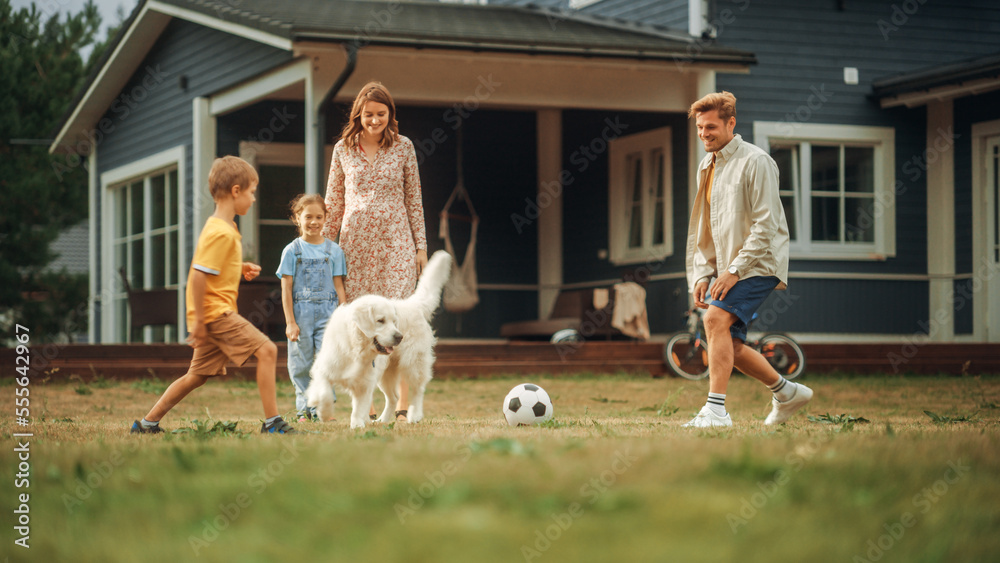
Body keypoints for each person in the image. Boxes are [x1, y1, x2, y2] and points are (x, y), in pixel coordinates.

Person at [131, 156, 295, 435]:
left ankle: (147, 424)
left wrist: (238, 267)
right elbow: (197, 275)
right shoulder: (220, 231)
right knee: (267, 350)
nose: (253, 199)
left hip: (212, 313)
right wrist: (196, 321)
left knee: (197, 375)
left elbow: (212, 265)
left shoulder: (225, 228)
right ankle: (272, 423)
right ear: (235, 191)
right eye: (251, 192)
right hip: (215, 313)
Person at [681, 91, 813, 428]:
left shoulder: (756, 161)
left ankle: (716, 411)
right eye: (699, 127)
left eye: (710, 127)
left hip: (758, 263)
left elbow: (766, 225)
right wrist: (703, 273)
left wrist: (735, 271)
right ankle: (786, 393)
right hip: (729, 269)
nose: (703, 134)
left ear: (731, 123)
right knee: (730, 343)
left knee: (713, 321)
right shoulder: (706, 166)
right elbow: (705, 227)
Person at [323, 81, 428, 423]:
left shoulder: (404, 147)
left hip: (397, 242)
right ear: (359, 114)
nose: (374, 121)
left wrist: (421, 246)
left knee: (402, 321)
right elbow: (333, 202)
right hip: (355, 246)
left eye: (381, 115)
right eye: (368, 115)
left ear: (390, 115)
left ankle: (401, 405)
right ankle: (364, 406)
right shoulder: (342, 149)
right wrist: (326, 249)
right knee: (364, 327)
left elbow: (414, 199)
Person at [277, 194, 347, 422]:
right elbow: (286, 289)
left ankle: (323, 408)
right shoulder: (291, 251)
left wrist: (343, 317)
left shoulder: (334, 251)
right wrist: (290, 322)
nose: (314, 222)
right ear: (297, 218)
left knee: (327, 361)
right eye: (308, 217)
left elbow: (338, 286)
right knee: (301, 363)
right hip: (301, 314)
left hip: (329, 314)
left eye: (319, 217)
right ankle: (304, 411)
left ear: (326, 219)